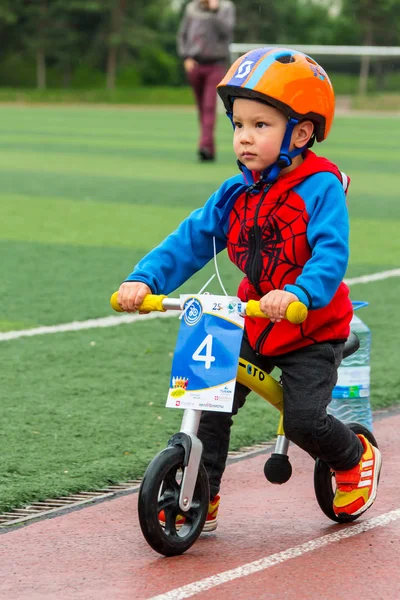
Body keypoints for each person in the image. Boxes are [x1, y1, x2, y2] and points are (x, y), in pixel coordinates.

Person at [117, 47, 382, 531]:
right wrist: (144, 279)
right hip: (253, 318)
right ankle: (201, 490)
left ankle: (353, 456)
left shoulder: (319, 188)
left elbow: (330, 254)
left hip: (311, 327)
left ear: (300, 133)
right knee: (207, 397)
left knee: (304, 421)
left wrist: (300, 293)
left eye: (261, 125)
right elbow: (191, 239)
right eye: (238, 125)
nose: (244, 137)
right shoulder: (234, 193)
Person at [177, 0, 235, 162]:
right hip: (194, 64)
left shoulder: (225, 7)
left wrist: (214, 12)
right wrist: (186, 57)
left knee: (209, 106)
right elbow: (183, 34)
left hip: (216, 64)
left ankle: (203, 145)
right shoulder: (191, 8)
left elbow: (226, 32)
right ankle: (209, 148)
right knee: (202, 108)